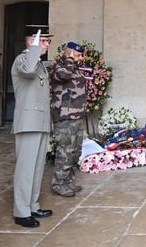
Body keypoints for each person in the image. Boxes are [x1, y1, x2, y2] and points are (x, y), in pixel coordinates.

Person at [11, 25, 54, 228]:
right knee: (25, 169)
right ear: (32, 42)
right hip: (28, 122)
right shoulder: (23, 60)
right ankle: (21, 211)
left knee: (37, 168)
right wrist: (34, 48)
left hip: (40, 121)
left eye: (47, 41)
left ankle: (32, 205)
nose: (47, 44)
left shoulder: (39, 63)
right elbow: (27, 70)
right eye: (44, 41)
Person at [49, 42, 88, 197]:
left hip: (77, 116)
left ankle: (68, 182)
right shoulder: (59, 67)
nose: (80, 58)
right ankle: (59, 184)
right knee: (64, 151)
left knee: (75, 152)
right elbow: (64, 75)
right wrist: (69, 59)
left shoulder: (74, 68)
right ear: (69, 54)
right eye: (77, 55)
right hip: (64, 117)